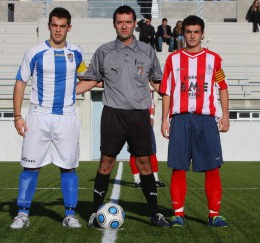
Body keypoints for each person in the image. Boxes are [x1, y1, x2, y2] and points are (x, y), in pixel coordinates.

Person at [76, 5, 170, 228]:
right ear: (114, 24)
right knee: (106, 162)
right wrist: (67, 92)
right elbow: (91, 79)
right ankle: (94, 212)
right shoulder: (104, 51)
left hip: (139, 115)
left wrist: (172, 97)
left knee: (145, 163)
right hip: (112, 115)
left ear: (135, 23)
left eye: (128, 21)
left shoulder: (147, 51)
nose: (124, 25)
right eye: (120, 21)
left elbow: (157, 82)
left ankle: (154, 214)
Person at [10, 7, 87, 229]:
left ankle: (70, 215)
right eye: (55, 25)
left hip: (67, 116)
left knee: (68, 167)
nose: (58, 30)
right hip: (38, 115)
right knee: (30, 167)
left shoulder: (76, 52)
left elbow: (86, 77)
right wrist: (17, 115)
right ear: (49, 26)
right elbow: (20, 82)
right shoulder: (34, 52)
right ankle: (22, 214)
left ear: (69, 28)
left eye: (63, 26)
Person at [159, 15, 230, 228]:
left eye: (196, 32)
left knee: (212, 168)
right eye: (188, 31)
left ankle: (213, 215)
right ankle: (178, 214)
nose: (192, 35)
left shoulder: (214, 59)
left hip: (206, 120)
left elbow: (223, 87)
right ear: (183, 33)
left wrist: (225, 115)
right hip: (180, 119)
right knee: (178, 168)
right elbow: (166, 92)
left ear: (202, 34)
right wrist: (164, 119)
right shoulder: (173, 59)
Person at [129, 91, 165, 188]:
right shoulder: (129, 89)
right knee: (134, 153)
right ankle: (137, 180)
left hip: (147, 125)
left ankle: (155, 180)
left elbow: (152, 107)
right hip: (133, 125)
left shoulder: (148, 92)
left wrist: (151, 117)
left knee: (152, 152)